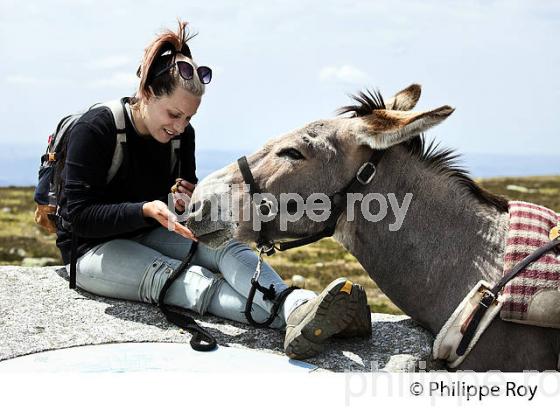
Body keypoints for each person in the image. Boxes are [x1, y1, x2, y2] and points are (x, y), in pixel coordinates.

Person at [55, 21, 370, 360]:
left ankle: (299, 305)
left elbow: (183, 190)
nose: (179, 127)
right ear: (146, 92)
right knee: (193, 282)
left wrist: (183, 199)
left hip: (152, 228)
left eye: (188, 118)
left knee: (223, 244)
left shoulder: (181, 136)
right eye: (173, 114)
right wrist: (144, 209)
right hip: (91, 250)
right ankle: (298, 318)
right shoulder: (97, 129)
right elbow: (78, 217)